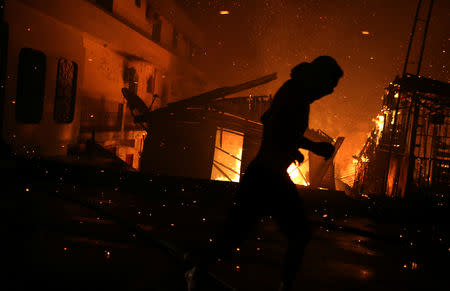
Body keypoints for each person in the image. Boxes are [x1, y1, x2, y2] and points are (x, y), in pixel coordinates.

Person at [185, 56, 343, 291]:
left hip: (267, 174)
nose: (328, 92)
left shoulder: (295, 93)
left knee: (237, 234)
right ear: (319, 78)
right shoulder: (295, 95)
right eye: (329, 86)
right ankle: (198, 270)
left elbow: (269, 120)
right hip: (268, 176)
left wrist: (293, 149)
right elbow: (277, 127)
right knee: (296, 234)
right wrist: (312, 147)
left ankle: (197, 269)